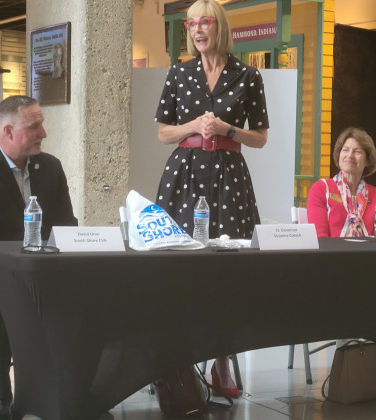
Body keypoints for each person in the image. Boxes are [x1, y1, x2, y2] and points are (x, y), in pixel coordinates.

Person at [153, 0, 269, 398]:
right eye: (192, 24)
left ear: (219, 26)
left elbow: (261, 137)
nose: (198, 30)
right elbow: (164, 132)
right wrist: (195, 125)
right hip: (184, 176)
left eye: (205, 23)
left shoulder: (248, 76)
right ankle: (176, 363)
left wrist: (227, 128)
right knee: (179, 268)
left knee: (227, 272)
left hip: (229, 179)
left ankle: (222, 365)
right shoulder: (179, 72)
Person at [0, 95, 77, 420]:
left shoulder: (50, 168)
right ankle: (1, 398)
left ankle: (76, 391)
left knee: (87, 288)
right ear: (7, 132)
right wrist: (20, 268)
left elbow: (66, 226)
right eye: (34, 126)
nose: (43, 133)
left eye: (42, 124)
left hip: (41, 268)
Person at [307, 127, 376, 237]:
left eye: (357, 151)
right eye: (345, 150)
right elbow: (319, 241)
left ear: (367, 160)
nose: (350, 155)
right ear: (339, 154)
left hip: (367, 253)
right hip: (331, 253)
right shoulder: (321, 189)